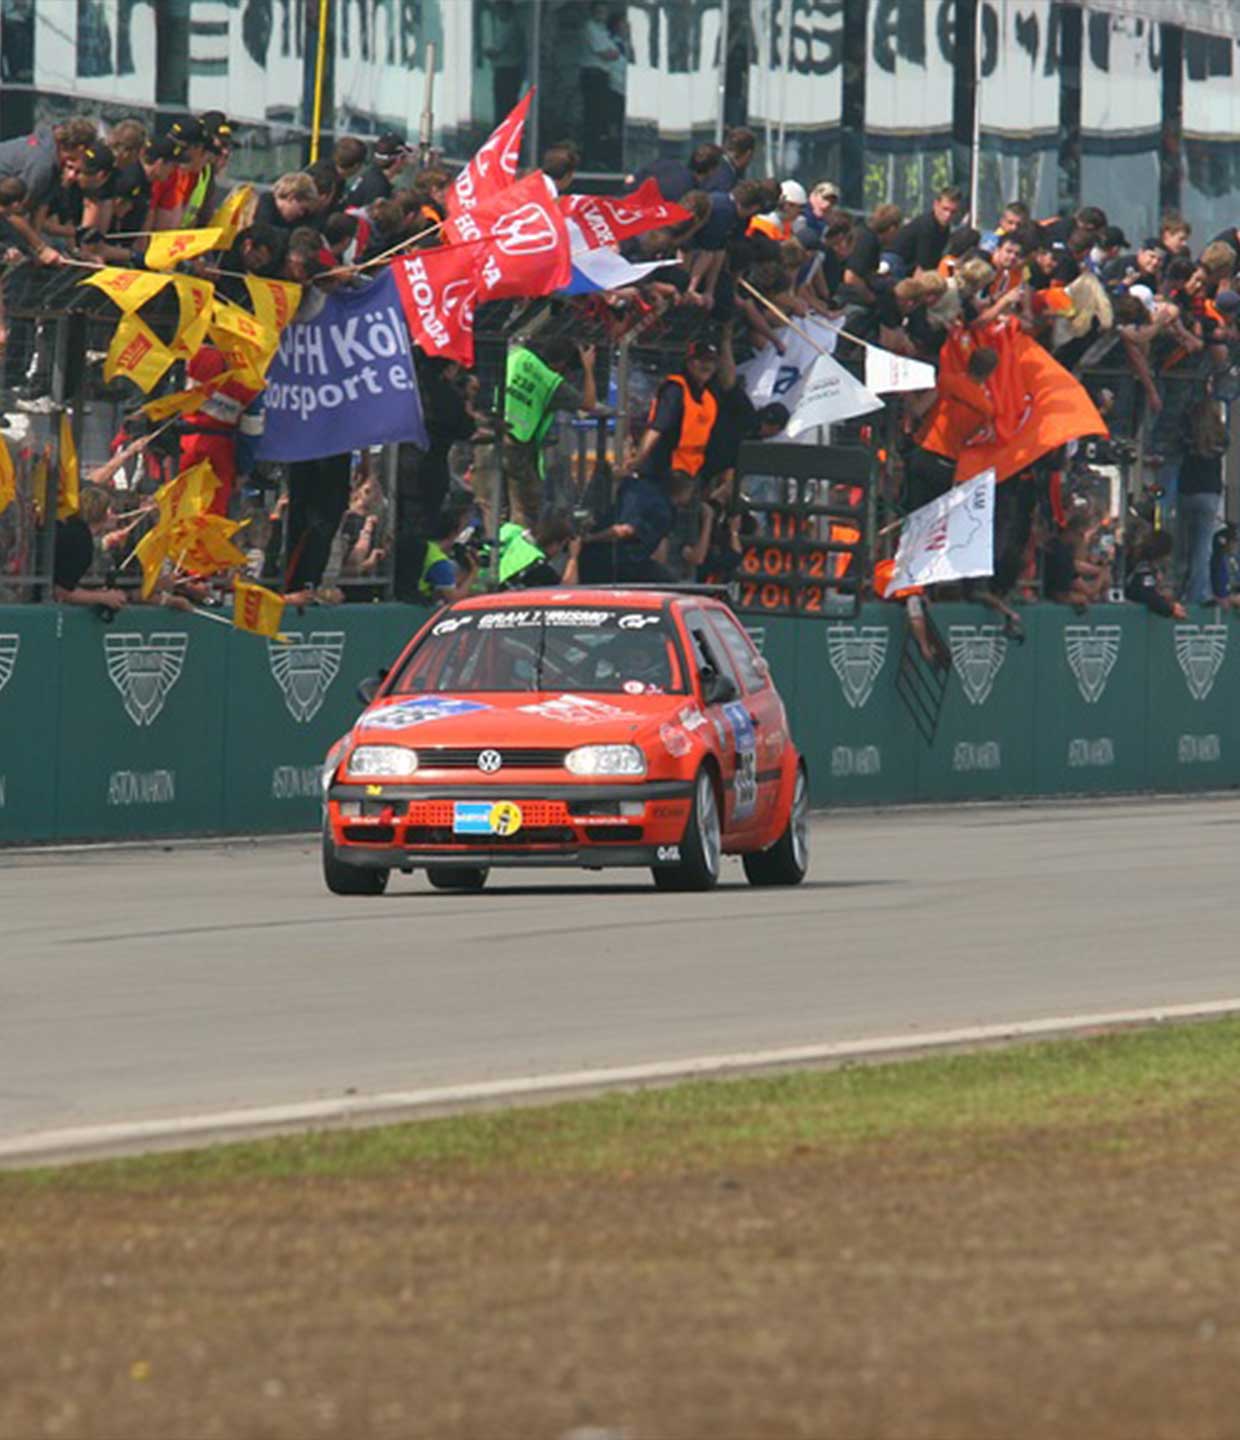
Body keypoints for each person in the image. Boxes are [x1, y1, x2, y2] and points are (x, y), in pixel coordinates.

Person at [503, 338, 597, 524]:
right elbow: (589, 403)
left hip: (489, 433)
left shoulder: (517, 355)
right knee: (527, 507)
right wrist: (588, 368)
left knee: (493, 505)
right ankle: (520, 550)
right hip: (518, 445)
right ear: (561, 365)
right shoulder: (550, 380)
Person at [635, 339, 724, 484]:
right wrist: (638, 460)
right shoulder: (675, 390)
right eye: (700, 360)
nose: (706, 365)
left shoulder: (710, 397)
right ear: (689, 362)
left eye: (711, 361)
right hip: (666, 472)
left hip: (692, 473)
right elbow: (656, 428)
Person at [1177, 395, 1227, 604]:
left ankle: (1179, 586)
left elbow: (1177, 446)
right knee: (1203, 546)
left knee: (1183, 543)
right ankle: (1198, 593)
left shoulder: (1188, 433)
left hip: (1187, 490)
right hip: (1210, 493)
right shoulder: (1221, 436)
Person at [417, 495, 480, 605]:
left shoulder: (427, 547)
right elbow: (455, 599)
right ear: (453, 533)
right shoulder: (439, 562)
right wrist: (474, 572)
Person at [889, 186, 963, 277]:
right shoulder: (927, 226)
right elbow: (923, 267)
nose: (948, 215)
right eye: (945, 209)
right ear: (936, 205)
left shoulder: (944, 228)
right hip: (896, 267)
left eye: (953, 212)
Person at [579, 2, 619, 167]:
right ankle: (590, 156)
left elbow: (615, 52)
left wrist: (612, 53)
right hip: (593, 75)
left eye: (605, 12)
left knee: (601, 117)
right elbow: (604, 53)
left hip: (602, 75)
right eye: (600, 11)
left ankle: (597, 155)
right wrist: (611, 54)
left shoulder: (602, 30)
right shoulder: (590, 28)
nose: (603, 15)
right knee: (593, 116)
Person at [496, 512, 581, 588]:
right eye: (563, 547)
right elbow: (565, 592)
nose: (559, 552)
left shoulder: (512, 533)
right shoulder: (538, 566)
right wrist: (573, 557)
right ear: (554, 544)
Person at [485, 0, 526, 121]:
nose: (498, 13)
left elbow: (502, 50)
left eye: (501, 9)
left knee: (506, 105)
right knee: (501, 105)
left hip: (509, 71)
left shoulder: (513, 27)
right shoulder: (502, 26)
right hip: (503, 70)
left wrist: (491, 53)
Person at [346, 133, 411, 207]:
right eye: (405, 157)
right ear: (398, 159)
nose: (407, 162)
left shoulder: (371, 174)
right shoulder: (380, 187)